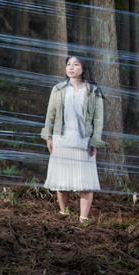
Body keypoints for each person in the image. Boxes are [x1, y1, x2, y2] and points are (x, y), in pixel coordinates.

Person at [41, 55, 106, 223]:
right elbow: (50, 114)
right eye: (68, 64)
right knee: (62, 182)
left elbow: (98, 120)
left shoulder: (93, 91)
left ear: (83, 69)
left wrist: (95, 141)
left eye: (75, 64)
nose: (71, 67)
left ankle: (83, 219)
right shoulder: (58, 89)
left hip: (83, 142)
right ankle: (63, 214)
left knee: (85, 183)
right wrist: (48, 136)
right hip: (61, 140)